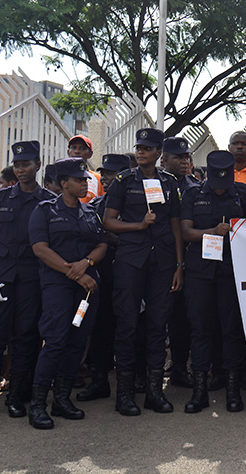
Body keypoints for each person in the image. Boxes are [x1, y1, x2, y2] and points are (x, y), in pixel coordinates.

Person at [0, 141, 55, 421]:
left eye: (26, 164)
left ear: (38, 166)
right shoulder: (1, 198)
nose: (21, 169)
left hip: (30, 280)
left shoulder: (47, 202)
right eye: (17, 165)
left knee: (25, 338)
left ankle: (16, 397)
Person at [103, 128, 184, 416]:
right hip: (130, 262)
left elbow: (175, 225)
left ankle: (153, 392)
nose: (141, 152)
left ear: (159, 152)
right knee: (126, 326)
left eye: (147, 148)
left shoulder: (169, 182)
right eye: (138, 147)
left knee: (156, 326)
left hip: (161, 263)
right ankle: (124, 395)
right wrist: (138, 225)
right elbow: (109, 222)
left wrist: (178, 265)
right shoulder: (124, 181)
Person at [26, 157, 107, 429]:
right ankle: (38, 405)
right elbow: (40, 248)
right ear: (64, 183)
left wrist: (88, 263)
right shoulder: (45, 210)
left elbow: (101, 245)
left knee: (76, 341)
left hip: (86, 289)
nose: (85, 183)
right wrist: (74, 271)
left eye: (85, 179)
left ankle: (62, 399)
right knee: (56, 341)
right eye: (79, 179)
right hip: (58, 286)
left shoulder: (90, 212)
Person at [180, 150, 246, 413]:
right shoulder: (193, 193)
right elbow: (186, 231)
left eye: (225, 186)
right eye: (216, 185)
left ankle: (233, 390)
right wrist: (211, 233)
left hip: (230, 270)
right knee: (201, 330)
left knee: (231, 329)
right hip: (200, 272)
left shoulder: (242, 193)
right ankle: (200, 390)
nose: (221, 191)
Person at [79, 154, 131, 402]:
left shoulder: (136, 205)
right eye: (105, 173)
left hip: (131, 276)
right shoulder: (95, 204)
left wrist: (116, 239)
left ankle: (133, 381)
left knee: (131, 330)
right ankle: (99, 381)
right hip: (102, 276)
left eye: (113, 173)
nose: (107, 178)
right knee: (100, 330)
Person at [160, 137, 198, 388]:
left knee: (182, 320)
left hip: (188, 262)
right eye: (178, 157)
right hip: (158, 260)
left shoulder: (195, 188)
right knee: (153, 319)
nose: (184, 162)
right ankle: (149, 371)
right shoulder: (154, 184)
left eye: (187, 157)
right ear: (164, 160)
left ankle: (180, 368)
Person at [66, 135, 103, 203]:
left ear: (90, 154)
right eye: (74, 148)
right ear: (68, 152)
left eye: (82, 148)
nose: (77, 151)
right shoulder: (61, 175)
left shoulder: (98, 179)